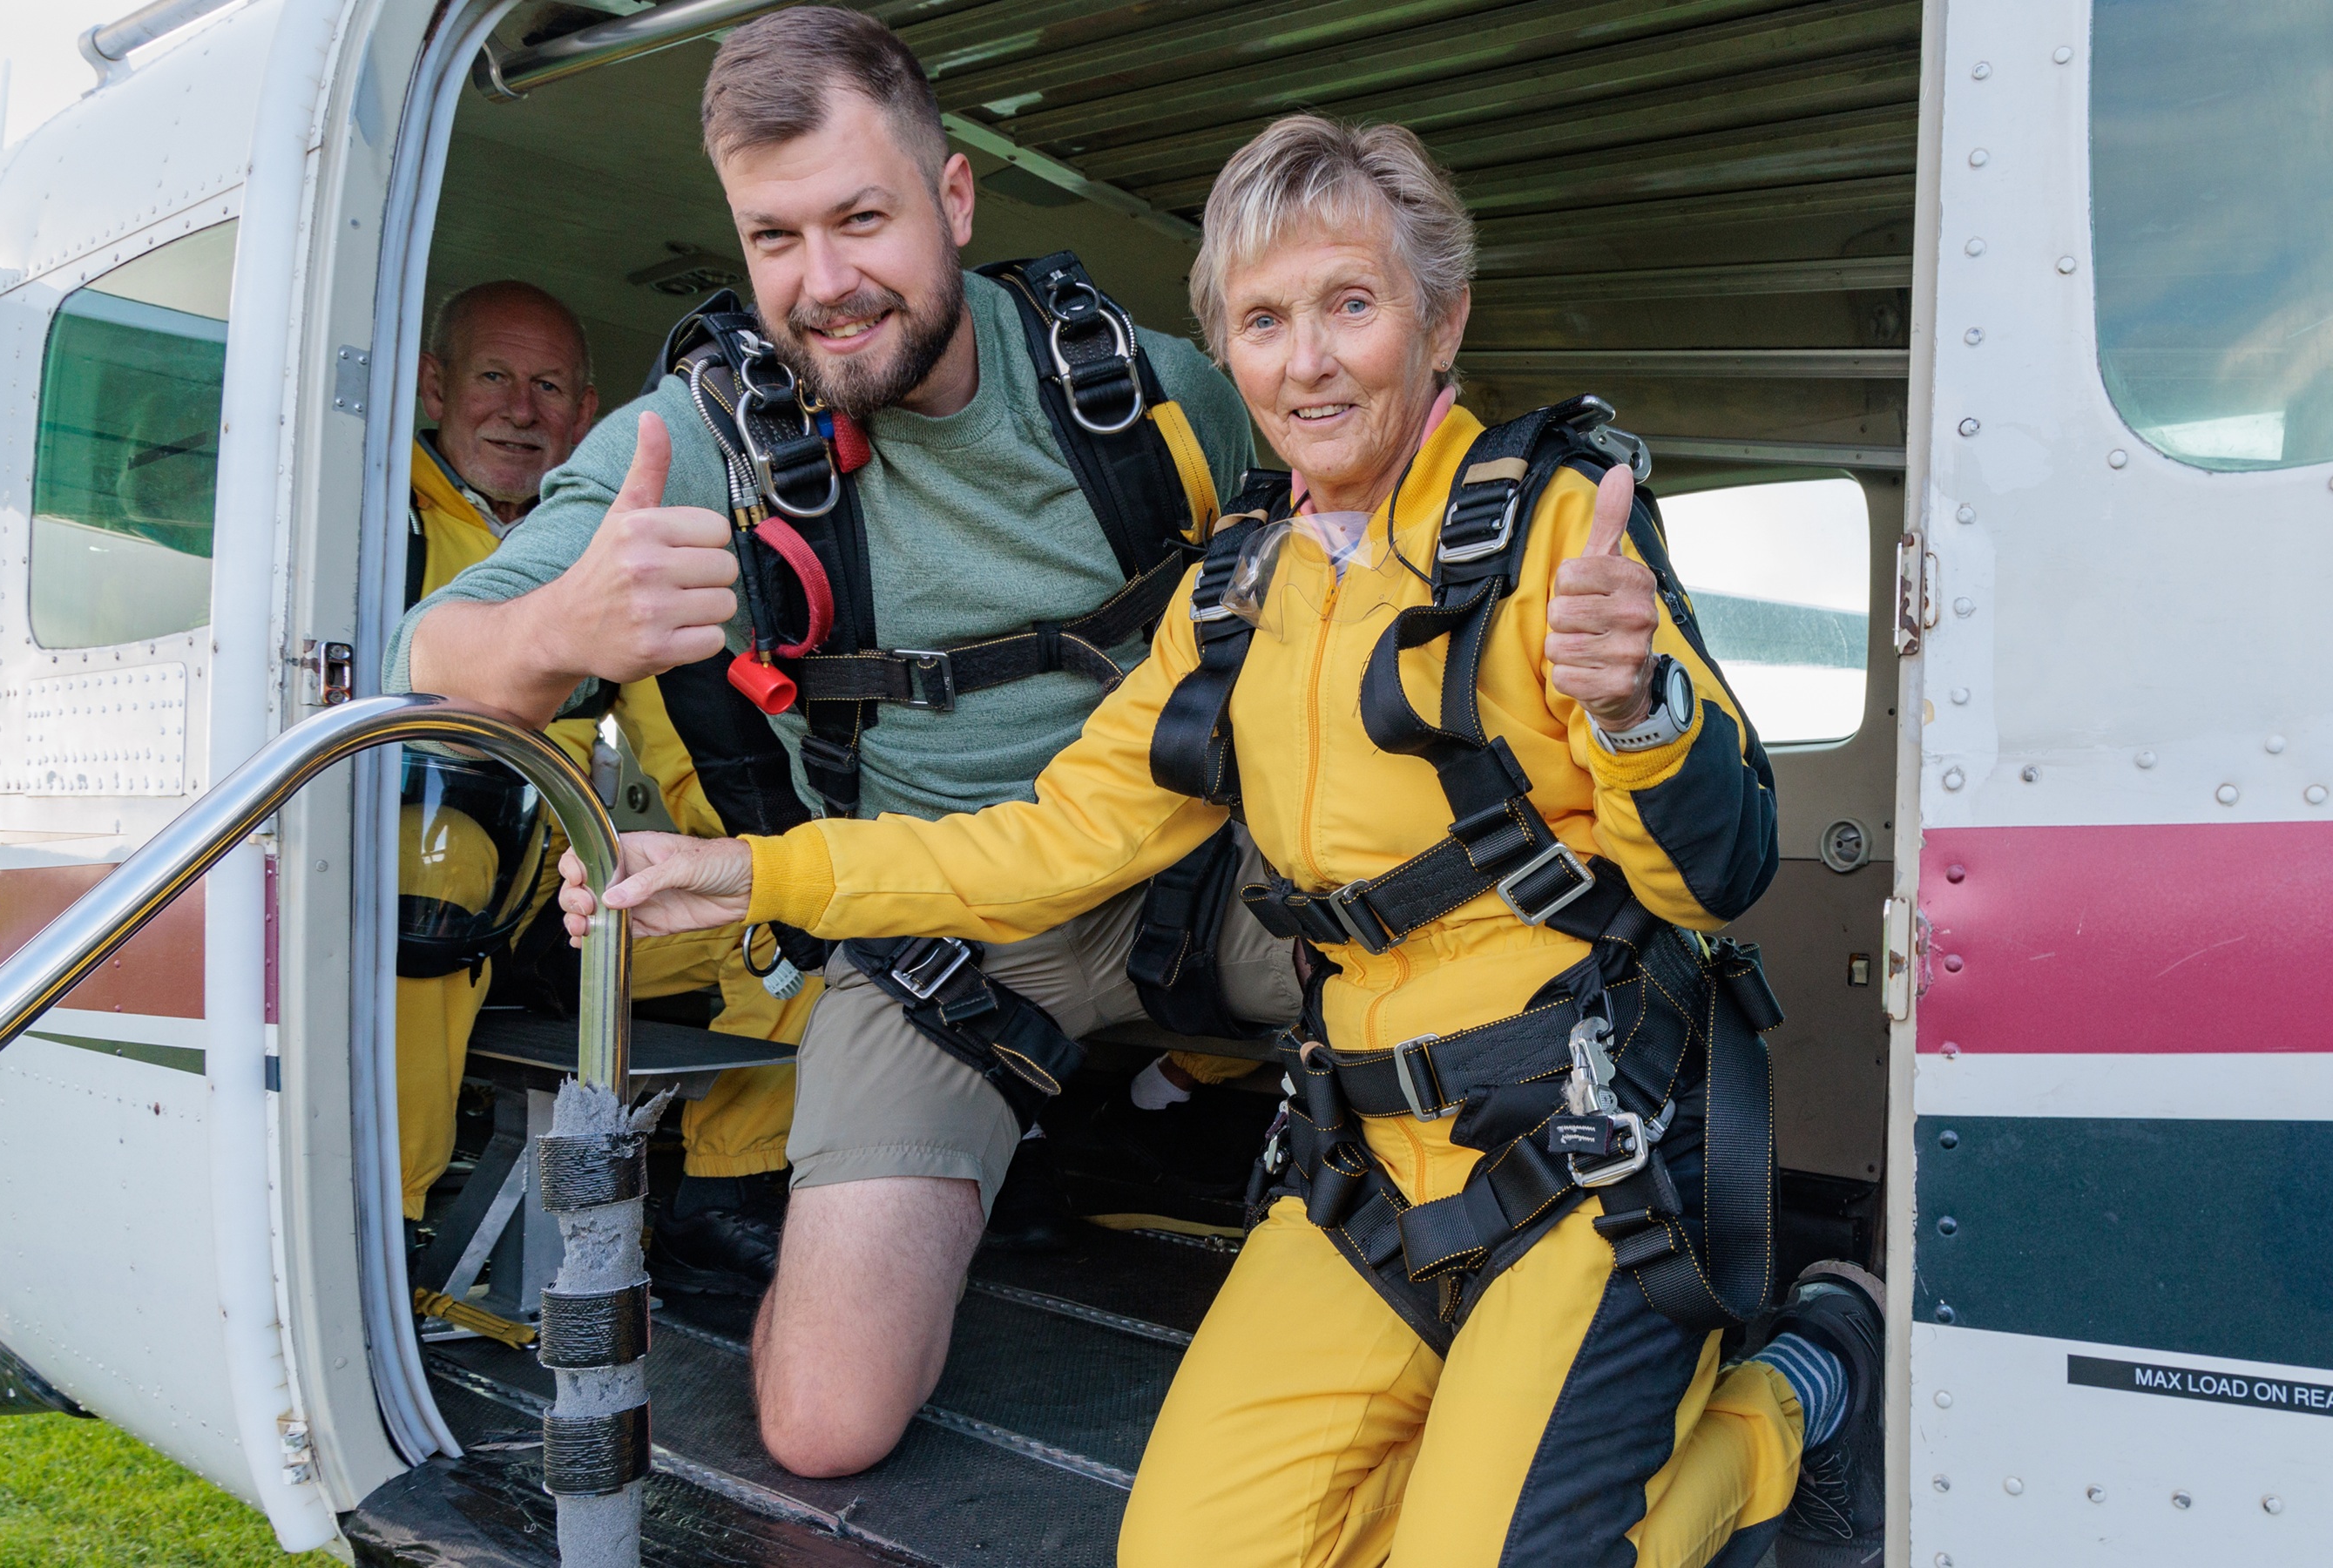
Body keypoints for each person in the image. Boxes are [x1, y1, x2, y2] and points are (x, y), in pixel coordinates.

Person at [558, 116, 1888, 1565]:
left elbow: (1718, 873)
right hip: (1372, 1169)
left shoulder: (1552, 527)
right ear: (1228, 351)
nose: (1307, 362)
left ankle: (1796, 1389)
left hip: (1593, 1155)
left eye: (1351, 305)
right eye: (1263, 321)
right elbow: (1046, 846)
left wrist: (1635, 702)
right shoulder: (1238, 590)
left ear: (1440, 319)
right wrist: (746, 873)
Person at [388, 9, 1300, 1478]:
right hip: (937, 934)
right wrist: (563, 621)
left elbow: (1360, 537)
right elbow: (429, 660)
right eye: (775, 238)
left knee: (1474, 925)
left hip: (1201, 875)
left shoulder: (1148, 394)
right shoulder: (701, 441)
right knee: (823, 1428)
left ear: (952, 201)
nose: (824, 285)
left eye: (862, 218)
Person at [396, 280, 810, 1292]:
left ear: (588, 415)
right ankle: (388, 1220)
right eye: (495, 377)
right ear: (434, 387)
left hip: (570, 894)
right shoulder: (369, 515)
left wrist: (755, 859)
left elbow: (694, 736)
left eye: (549, 387)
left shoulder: (617, 541)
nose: (521, 409)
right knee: (436, 856)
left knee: (797, 901)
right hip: (433, 873)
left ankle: (727, 1194)